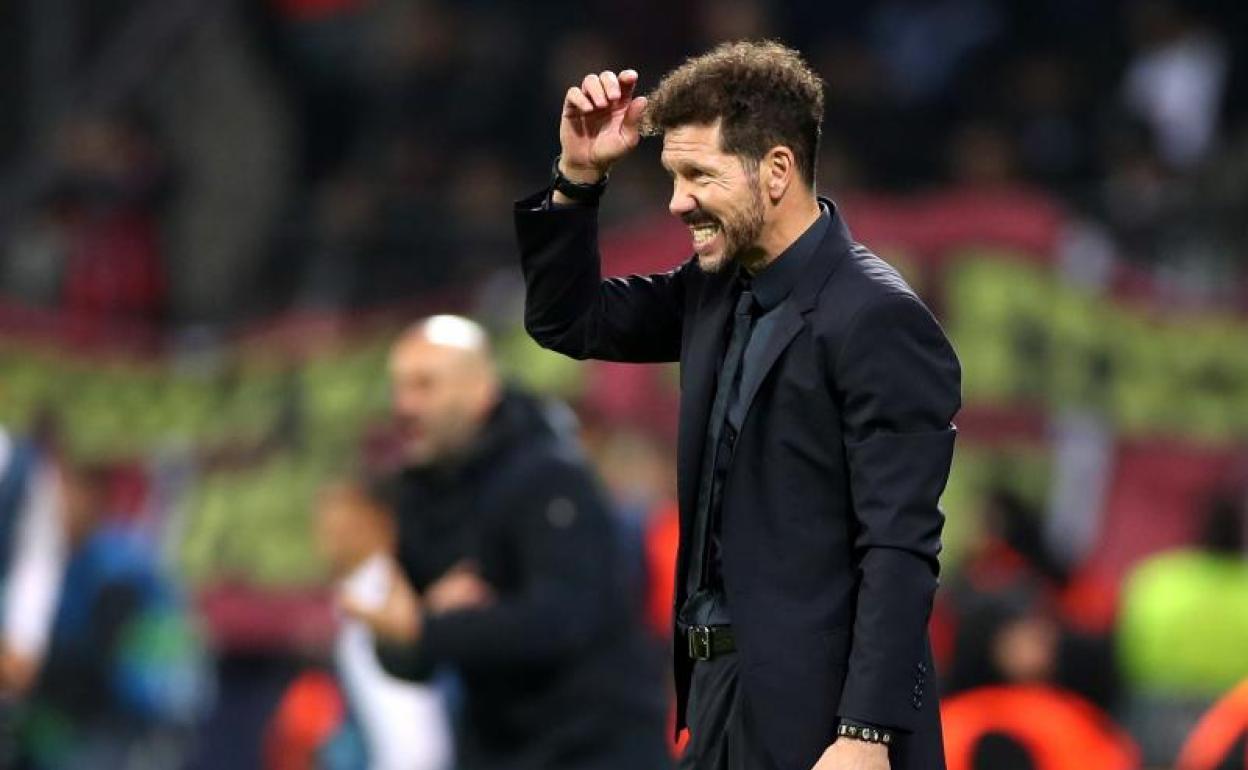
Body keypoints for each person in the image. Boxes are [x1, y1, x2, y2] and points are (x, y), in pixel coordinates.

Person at [514, 41, 961, 770]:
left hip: (823, 717)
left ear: (776, 170)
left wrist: (865, 733)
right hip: (718, 701)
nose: (677, 201)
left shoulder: (877, 319)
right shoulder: (715, 289)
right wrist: (578, 179)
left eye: (699, 175)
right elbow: (570, 320)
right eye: (673, 175)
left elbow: (899, 547)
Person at [344, 315, 669, 770]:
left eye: (424, 385)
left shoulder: (550, 476)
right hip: (496, 750)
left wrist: (430, 629)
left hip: (594, 748)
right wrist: (405, 636)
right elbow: (412, 654)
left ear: (479, 391)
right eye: (398, 387)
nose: (404, 405)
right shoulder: (419, 495)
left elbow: (562, 620)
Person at [316, 481, 454, 770]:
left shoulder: (380, 598)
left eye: (345, 523)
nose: (328, 533)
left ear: (381, 521)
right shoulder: (359, 594)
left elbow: (418, 747)